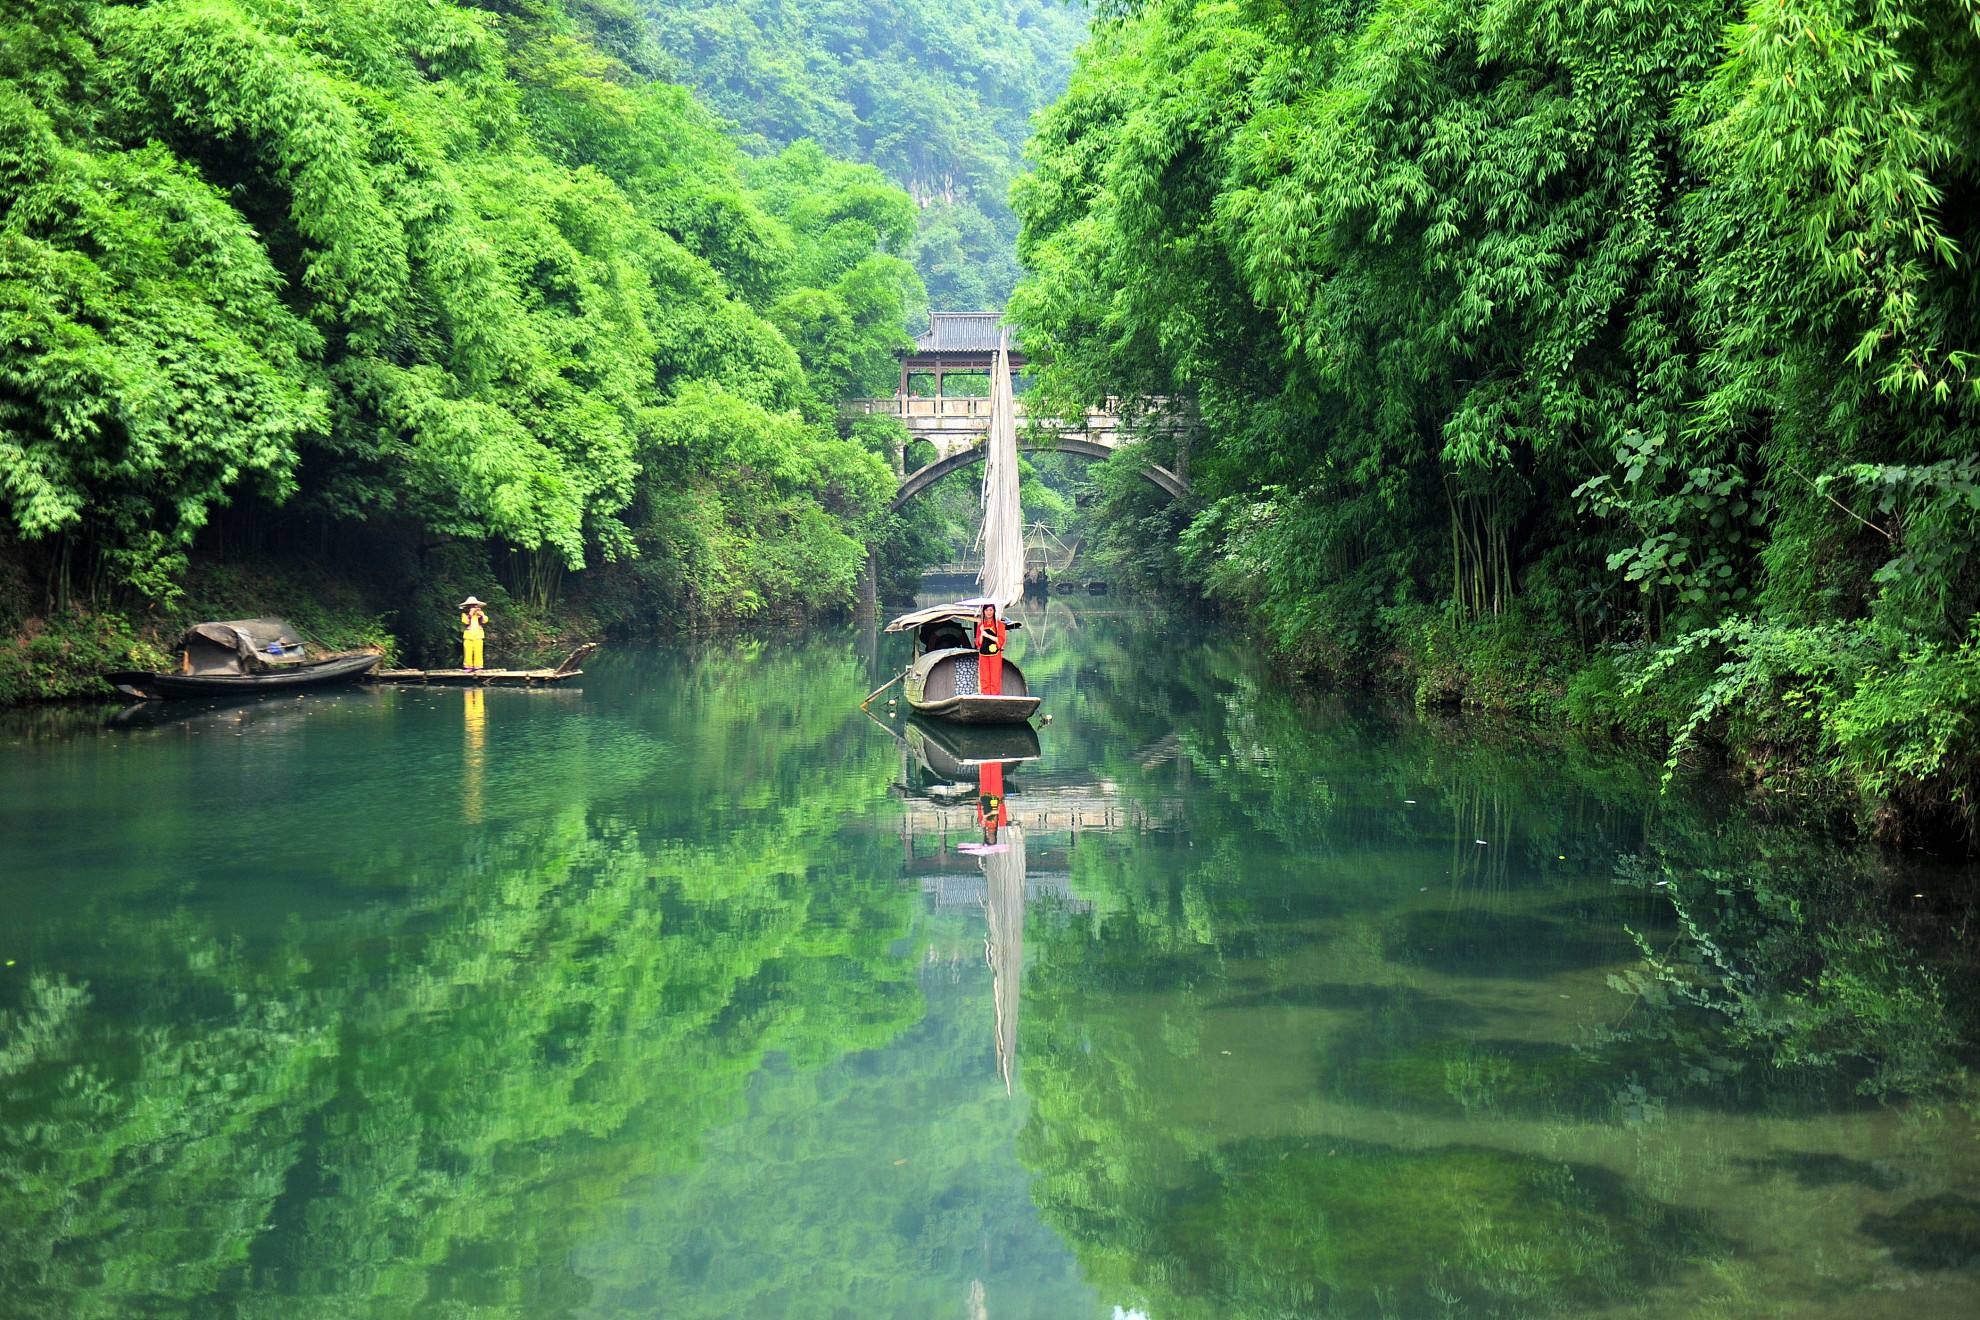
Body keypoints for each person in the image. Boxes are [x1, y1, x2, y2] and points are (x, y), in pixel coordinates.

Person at [974, 602, 1007, 696]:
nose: (988, 612)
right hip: (983, 654)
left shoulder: (999, 625)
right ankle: (986, 695)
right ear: (983, 612)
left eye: (990, 610)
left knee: (995, 677)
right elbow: (978, 643)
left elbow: (1000, 641)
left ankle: (995, 696)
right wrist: (981, 633)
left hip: (995, 654)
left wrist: (986, 635)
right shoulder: (981, 625)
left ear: (994, 611)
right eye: (986, 610)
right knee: (984, 677)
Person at [459, 596, 488, 672]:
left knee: (478, 651)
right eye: (471, 605)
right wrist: (470, 614)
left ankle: (478, 667)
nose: (473, 607)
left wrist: (481, 615)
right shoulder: (464, 614)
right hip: (468, 636)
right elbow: (465, 622)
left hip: (478, 636)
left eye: (474, 605)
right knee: (468, 651)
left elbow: (485, 620)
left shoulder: (479, 613)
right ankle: (468, 666)